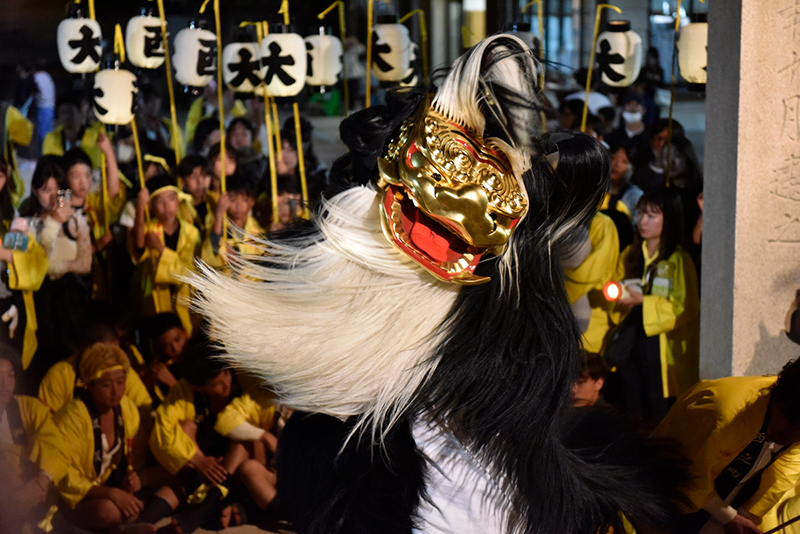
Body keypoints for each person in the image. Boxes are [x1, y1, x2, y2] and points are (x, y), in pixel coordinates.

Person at [652, 358, 800, 534]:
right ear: (782, 399)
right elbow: (688, 477)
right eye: (790, 421)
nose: (792, 435)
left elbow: (784, 472)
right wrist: (728, 517)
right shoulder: (725, 415)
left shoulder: (794, 430)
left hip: (719, 501)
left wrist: (745, 515)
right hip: (665, 496)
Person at [607, 187, 700, 426]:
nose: (642, 221)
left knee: (658, 408)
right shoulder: (630, 253)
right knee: (631, 405)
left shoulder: (678, 260)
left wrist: (644, 301)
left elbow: (685, 306)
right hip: (631, 341)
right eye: (640, 214)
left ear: (668, 220)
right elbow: (614, 287)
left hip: (660, 346)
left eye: (651, 215)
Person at [53, 343, 155, 533]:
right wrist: (112, 493)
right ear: (89, 384)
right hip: (76, 498)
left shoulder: (127, 409)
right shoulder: (71, 418)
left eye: (121, 382)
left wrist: (131, 479)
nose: (116, 391)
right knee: (108, 511)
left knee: (156, 480)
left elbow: (134, 455)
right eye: (107, 384)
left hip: (109, 485)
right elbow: (65, 477)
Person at [146, 343, 248, 532]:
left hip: (240, 464)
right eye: (216, 384)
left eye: (226, 374)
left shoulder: (241, 380)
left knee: (244, 439)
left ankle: (203, 510)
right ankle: (142, 523)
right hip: (204, 466)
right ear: (198, 387)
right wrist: (197, 459)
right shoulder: (186, 389)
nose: (226, 383)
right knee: (185, 427)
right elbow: (162, 431)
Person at [0, 344, 68, 533]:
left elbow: (53, 442)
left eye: (10, 375)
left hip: (34, 494)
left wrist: (42, 481)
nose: (5, 385)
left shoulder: (29, 407)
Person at [131, 174, 200, 335]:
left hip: (185, 298)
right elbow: (139, 247)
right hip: (157, 302)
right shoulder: (150, 230)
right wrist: (140, 207)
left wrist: (161, 249)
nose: (167, 206)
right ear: (152, 206)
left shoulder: (191, 232)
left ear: (178, 201)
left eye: (170, 199)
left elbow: (187, 270)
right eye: (160, 201)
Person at [201, 173, 265, 270]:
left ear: (252, 201)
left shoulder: (257, 231)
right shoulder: (219, 226)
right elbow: (208, 258)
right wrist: (219, 215)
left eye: (245, 200)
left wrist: (237, 255)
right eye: (233, 199)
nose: (239, 206)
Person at [42, 91, 105, 170]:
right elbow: (48, 165)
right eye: (63, 112)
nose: (67, 116)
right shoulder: (50, 138)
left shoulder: (95, 137)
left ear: (80, 113)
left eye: (70, 112)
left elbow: (96, 164)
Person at [177, 154, 214, 237]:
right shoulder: (177, 206)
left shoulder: (216, 201)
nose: (200, 182)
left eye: (205, 176)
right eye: (193, 177)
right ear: (182, 181)